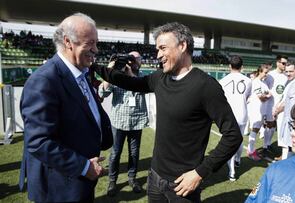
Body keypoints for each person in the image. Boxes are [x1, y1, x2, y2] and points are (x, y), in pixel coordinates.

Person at [93, 22, 242, 202]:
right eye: (157, 49)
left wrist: (200, 173)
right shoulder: (159, 78)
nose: (158, 55)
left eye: (163, 48)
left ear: (183, 46)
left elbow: (233, 135)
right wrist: (95, 67)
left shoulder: (206, 86)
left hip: (182, 185)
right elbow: (129, 82)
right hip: (155, 178)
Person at [19, 13, 113, 202]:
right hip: (60, 187)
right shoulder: (44, 81)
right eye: (90, 43)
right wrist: (84, 167)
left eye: (96, 43)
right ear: (68, 42)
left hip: (79, 181)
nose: (96, 50)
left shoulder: (82, 72)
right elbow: (39, 141)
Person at [98, 51, 149, 196]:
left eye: (136, 59)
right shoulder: (117, 75)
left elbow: (143, 89)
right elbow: (102, 93)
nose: (132, 62)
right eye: (130, 59)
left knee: (134, 153)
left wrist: (130, 74)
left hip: (136, 121)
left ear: (140, 62)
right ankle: (112, 181)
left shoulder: (143, 76)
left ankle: (132, 179)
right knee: (115, 153)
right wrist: (110, 70)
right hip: (119, 121)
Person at [219, 55, 252, 181]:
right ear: (242, 67)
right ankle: (237, 160)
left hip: (229, 115)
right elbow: (248, 97)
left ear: (229, 66)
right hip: (242, 114)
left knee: (230, 142)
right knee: (239, 140)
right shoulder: (248, 81)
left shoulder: (223, 81)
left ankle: (232, 171)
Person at [260, 55, 288, 156]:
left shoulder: (286, 76)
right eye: (283, 63)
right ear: (278, 63)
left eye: (286, 63)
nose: (285, 65)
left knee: (277, 127)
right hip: (270, 104)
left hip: (281, 106)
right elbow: (263, 87)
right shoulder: (270, 75)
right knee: (270, 125)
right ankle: (265, 146)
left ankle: (271, 145)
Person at [247, 64, 272, 161]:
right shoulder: (256, 82)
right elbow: (261, 97)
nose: (266, 75)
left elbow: (266, 93)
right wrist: (267, 96)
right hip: (256, 110)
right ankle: (250, 151)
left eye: (267, 73)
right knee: (254, 130)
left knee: (256, 130)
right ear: (260, 71)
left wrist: (266, 95)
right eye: (265, 73)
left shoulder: (263, 83)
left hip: (262, 110)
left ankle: (251, 149)